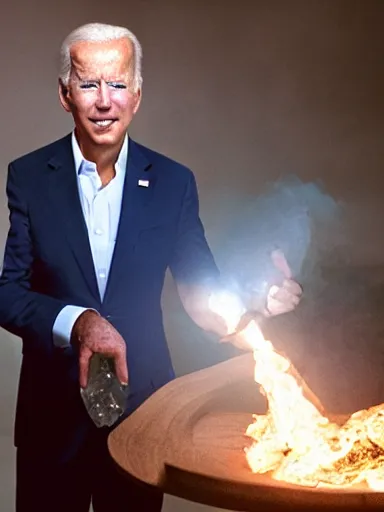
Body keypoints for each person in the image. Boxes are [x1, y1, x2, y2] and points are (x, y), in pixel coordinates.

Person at [0, 22, 303, 512]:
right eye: (88, 84)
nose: (104, 101)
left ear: (136, 95)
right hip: (51, 422)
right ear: (65, 94)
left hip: (144, 418)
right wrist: (79, 322)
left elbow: (201, 288)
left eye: (117, 84)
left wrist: (255, 297)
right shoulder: (30, 176)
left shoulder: (173, 183)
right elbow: (8, 293)